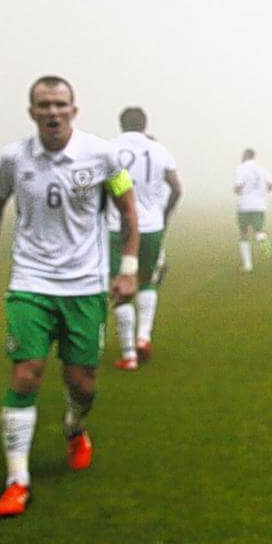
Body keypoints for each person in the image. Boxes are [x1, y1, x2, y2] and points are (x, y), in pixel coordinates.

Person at [0, 76, 139, 518]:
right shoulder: (12, 158)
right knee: (26, 373)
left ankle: (74, 426)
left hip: (85, 287)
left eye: (60, 104)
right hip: (31, 282)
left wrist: (127, 270)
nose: (53, 112)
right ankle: (17, 481)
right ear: (32, 112)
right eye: (44, 105)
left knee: (81, 383)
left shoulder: (102, 155)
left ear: (73, 110)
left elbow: (127, 210)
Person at [107, 109, 182, 370]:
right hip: (151, 226)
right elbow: (177, 188)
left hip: (118, 227)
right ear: (144, 124)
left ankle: (129, 355)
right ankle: (143, 337)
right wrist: (164, 215)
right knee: (147, 281)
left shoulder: (110, 150)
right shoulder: (159, 150)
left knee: (120, 287)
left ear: (121, 124)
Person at [234, 148, 272, 272]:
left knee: (243, 232)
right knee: (258, 230)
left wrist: (238, 191)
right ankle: (264, 242)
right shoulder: (262, 169)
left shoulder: (241, 169)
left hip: (245, 205)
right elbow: (271, 186)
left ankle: (248, 265)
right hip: (259, 205)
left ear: (246, 155)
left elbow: (238, 187)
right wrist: (261, 193)